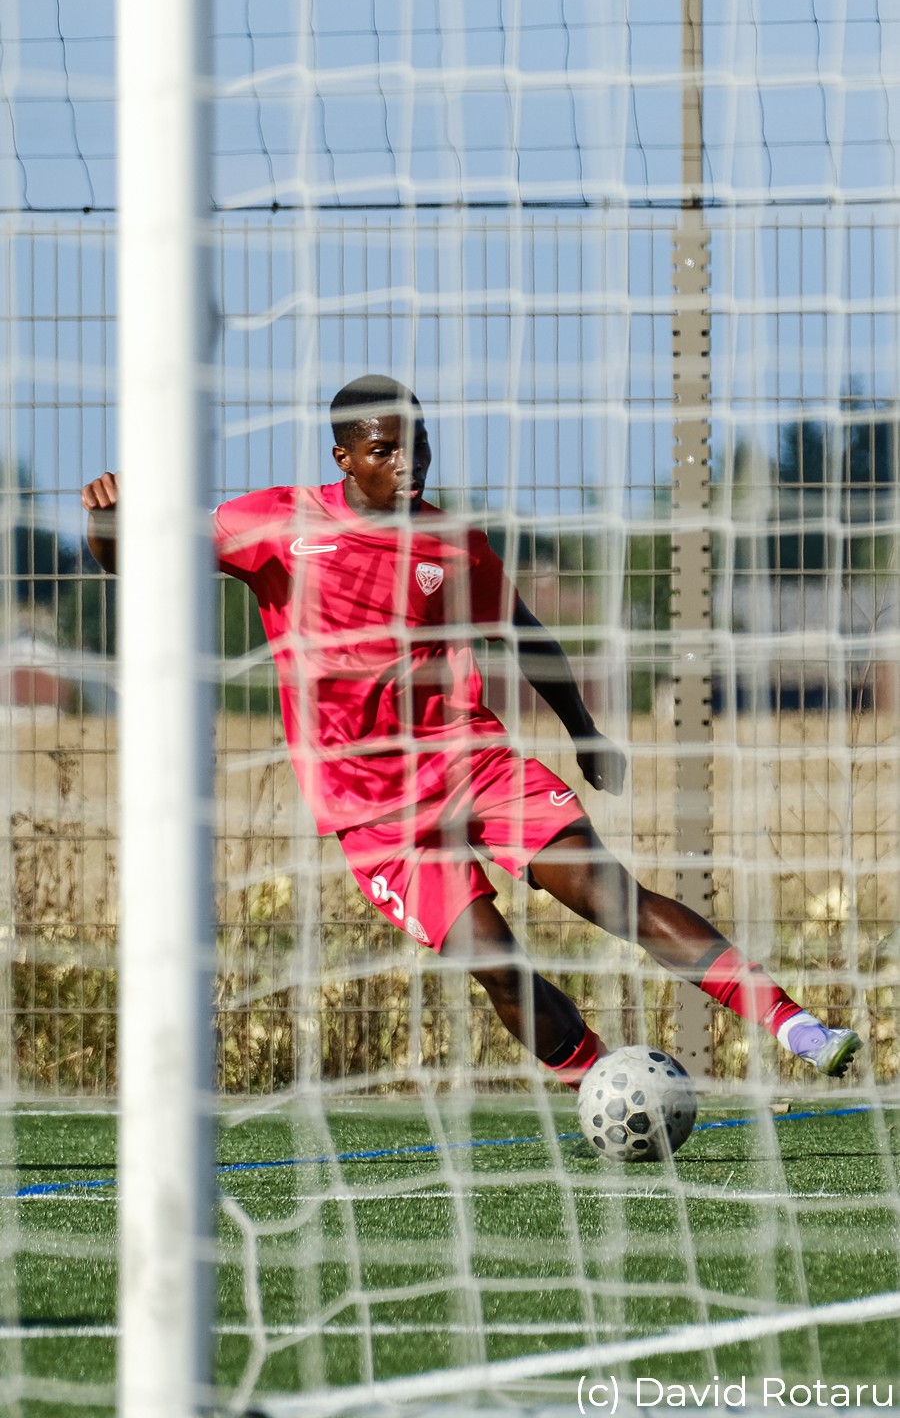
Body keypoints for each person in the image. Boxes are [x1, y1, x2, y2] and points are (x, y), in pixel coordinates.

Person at [83, 374, 861, 1086]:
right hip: (374, 813)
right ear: (344, 459)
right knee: (498, 964)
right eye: (385, 451)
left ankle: (798, 1028)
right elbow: (135, 559)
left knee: (610, 894)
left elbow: (525, 636)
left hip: (472, 764)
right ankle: (603, 1081)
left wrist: (584, 731)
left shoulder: (453, 545)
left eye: (418, 445)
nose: (408, 464)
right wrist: (105, 523)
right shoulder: (276, 523)